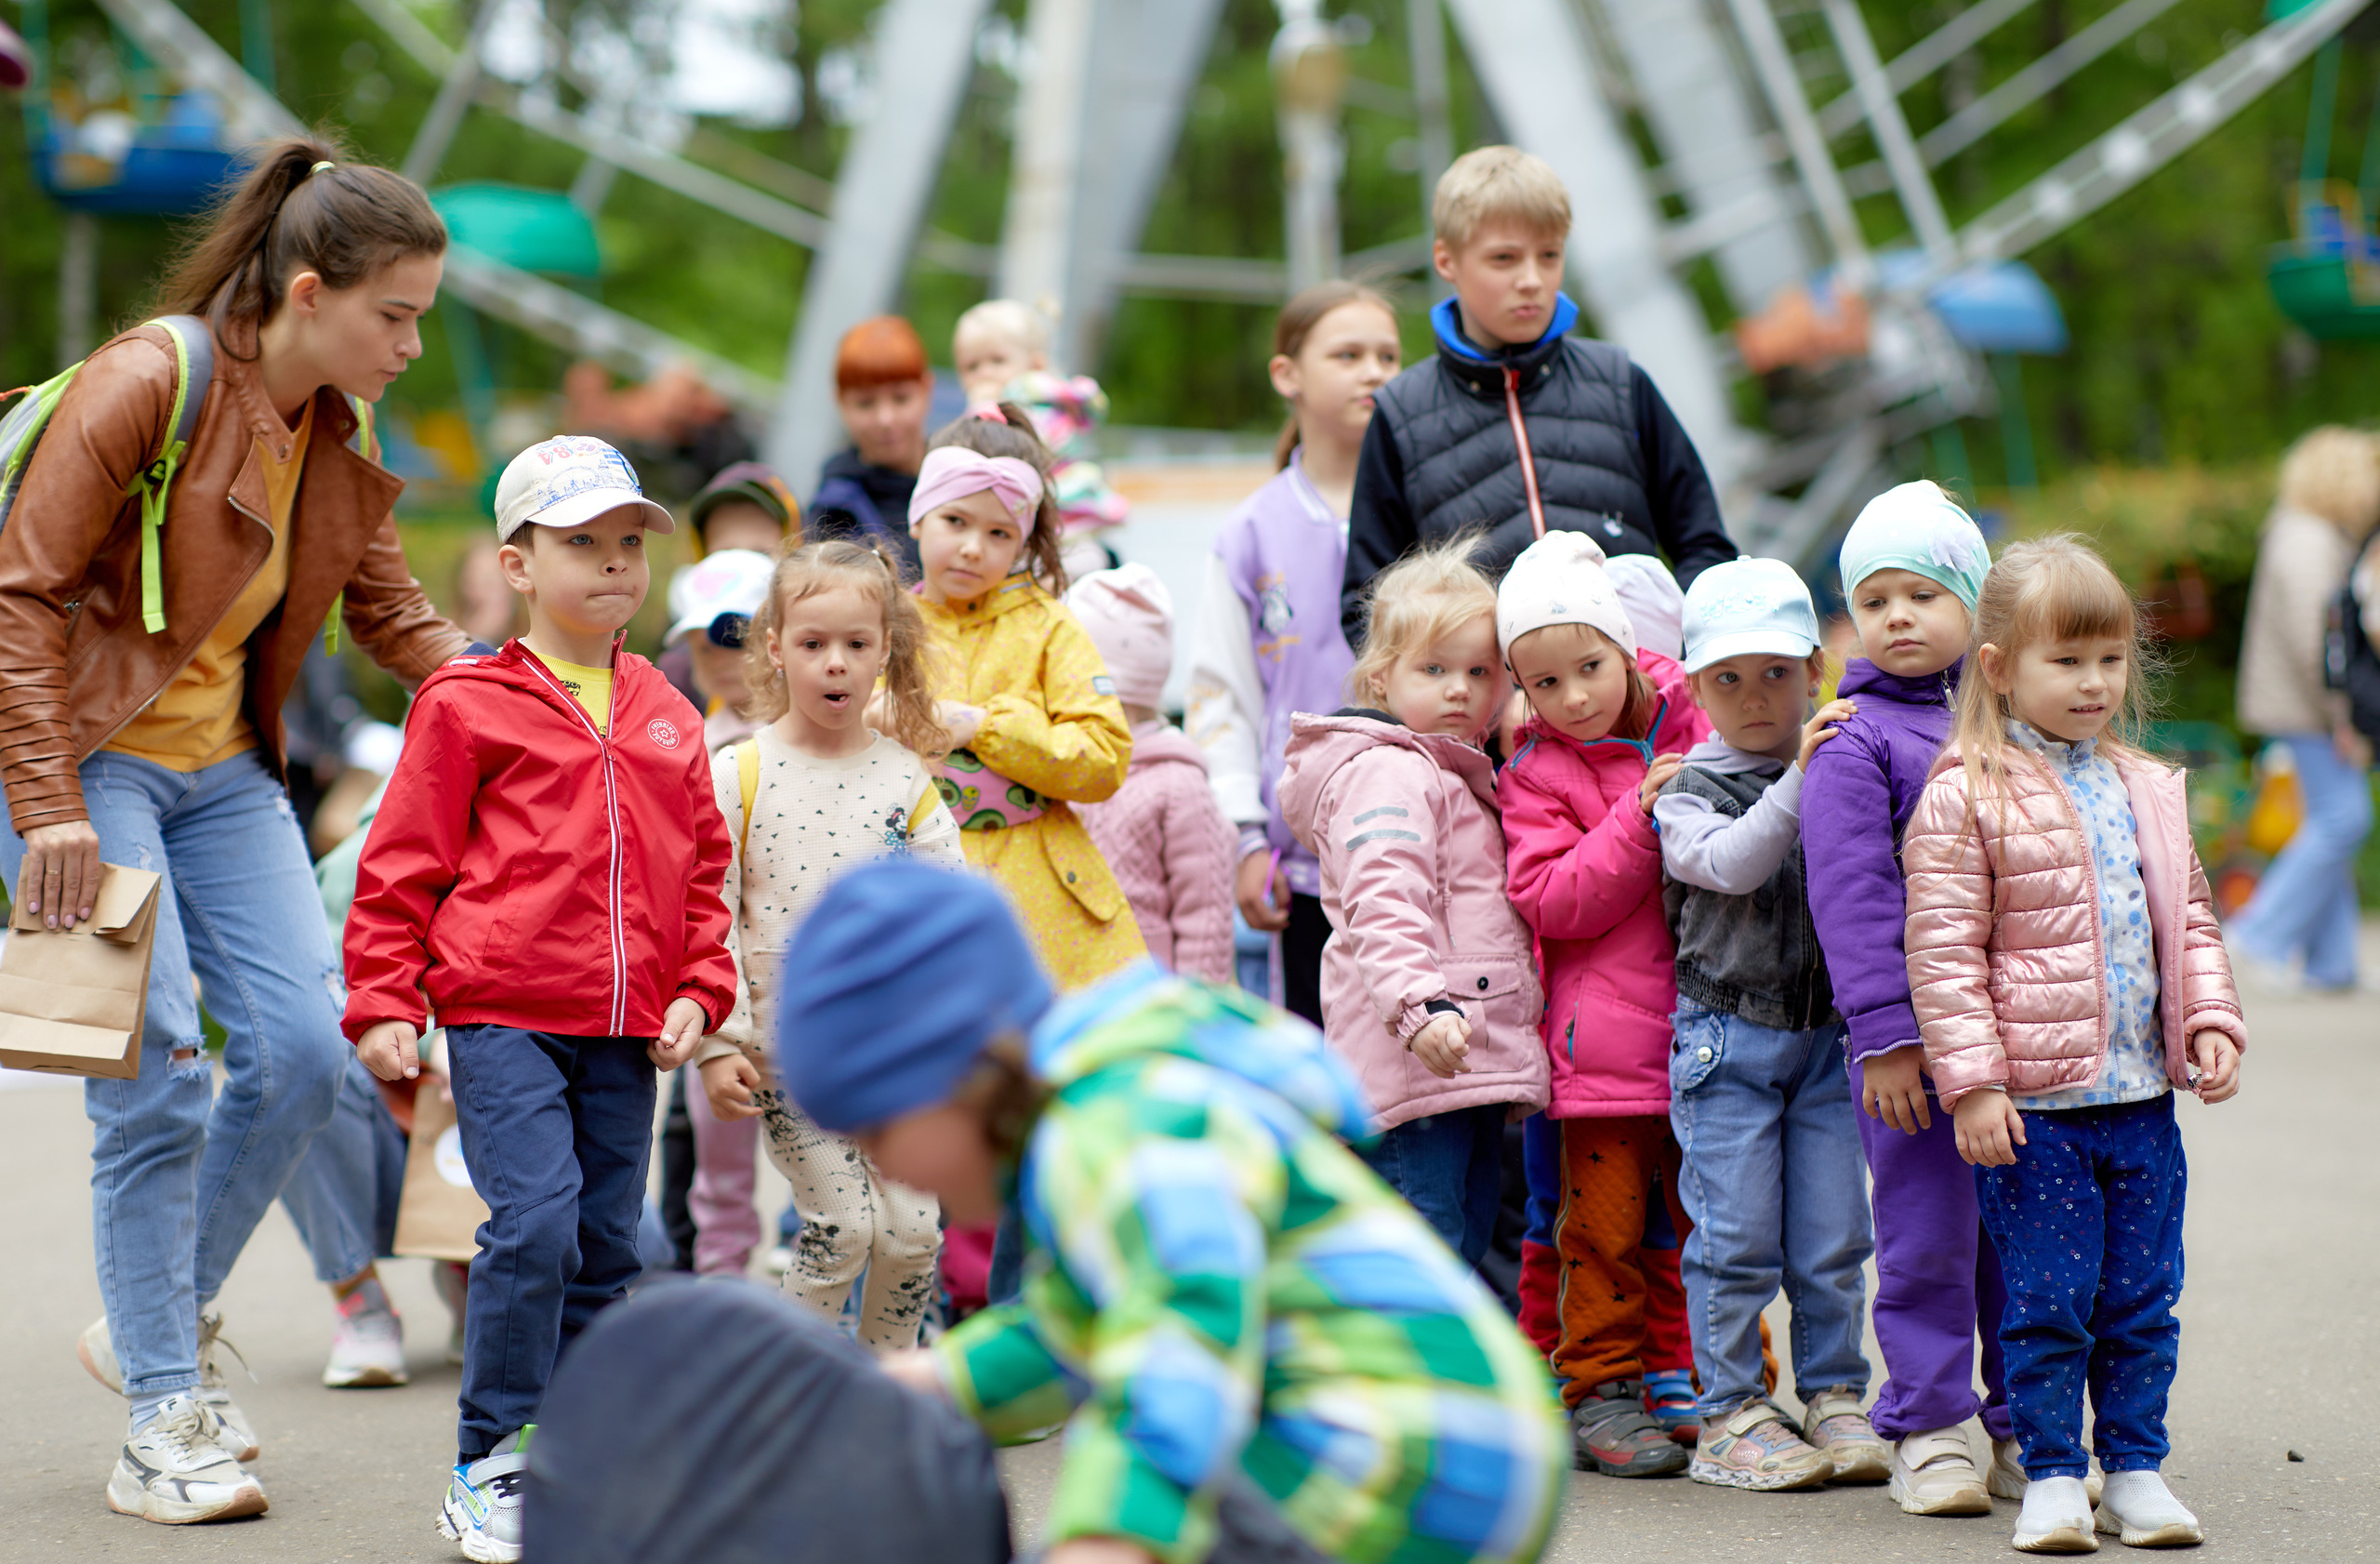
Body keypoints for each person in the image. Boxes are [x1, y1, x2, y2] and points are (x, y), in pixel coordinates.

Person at [0, 135, 469, 1524]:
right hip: (87, 762)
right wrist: (45, 803)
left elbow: (392, 614)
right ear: (310, 293)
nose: (413, 345)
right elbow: (19, 592)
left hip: (224, 773)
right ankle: (162, 1417)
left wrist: (536, 699)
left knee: (308, 1053)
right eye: (397, 316)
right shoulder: (152, 377)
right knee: (153, 1071)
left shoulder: (339, 424)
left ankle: (151, 1320)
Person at [773, 859, 1569, 1564]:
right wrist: (937, 1381)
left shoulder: (1115, 1130)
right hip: (1452, 1442)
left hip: (1398, 1455)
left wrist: (1111, 1534)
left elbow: (1179, 1329)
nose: (878, 1162)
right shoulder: (1099, 1116)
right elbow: (1073, 1327)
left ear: (956, 1075)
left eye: (875, 1130)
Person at [343, 435, 737, 1564]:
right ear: (516, 565)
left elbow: (702, 872)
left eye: (628, 542)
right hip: (502, 1010)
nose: (613, 562)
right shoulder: (466, 700)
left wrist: (702, 987)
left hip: (626, 1025)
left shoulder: (668, 710)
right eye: (581, 542)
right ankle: (491, 1458)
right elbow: (401, 860)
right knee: (536, 1223)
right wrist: (383, 995)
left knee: (611, 1241)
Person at [1903, 535, 2248, 1553]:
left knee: (2142, 1295)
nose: (2094, 681)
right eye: (2067, 659)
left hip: (2141, 1100)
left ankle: (2135, 1467)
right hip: (2035, 1110)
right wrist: (1971, 1083)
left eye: (2109, 658)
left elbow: (2189, 918)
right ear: (2001, 666)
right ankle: (2054, 1472)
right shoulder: (1965, 790)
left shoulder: (2144, 783)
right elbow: (1943, 950)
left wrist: (2209, 1019)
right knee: (2050, 1297)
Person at [1800, 480, 2012, 1517]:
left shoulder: (2013, 727)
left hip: (2014, 1038)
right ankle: (1927, 1426)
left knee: (2020, 1242)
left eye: (1923, 594)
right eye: (1873, 598)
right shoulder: (1855, 740)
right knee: (1926, 1237)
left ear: (1973, 606)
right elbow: (1850, 895)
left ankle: (2026, 1426)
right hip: (1912, 1049)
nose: (1897, 617)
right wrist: (1884, 1034)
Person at [693, 538, 964, 1348]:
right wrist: (718, 1044)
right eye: (813, 643)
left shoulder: (904, 777)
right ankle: (783, 1392)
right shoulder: (739, 772)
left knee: (913, 1235)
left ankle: (885, 1392)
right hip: (790, 1061)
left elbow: (950, 912)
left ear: (886, 650)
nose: (835, 663)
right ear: (775, 646)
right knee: (841, 1230)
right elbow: (707, 913)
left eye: (856, 643)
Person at [1654, 559, 1886, 1491]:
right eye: (1728, 678)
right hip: (1727, 1043)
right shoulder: (1686, 788)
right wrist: (1799, 777)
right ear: (1694, 686)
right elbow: (1732, 864)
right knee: (1734, 1236)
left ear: (1814, 671)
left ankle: (1835, 1393)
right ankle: (1729, 1412)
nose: (1754, 697)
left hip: (1828, 1040)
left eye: (1776, 673)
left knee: (1833, 1236)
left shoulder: (1843, 761)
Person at [1493, 531, 1712, 1479]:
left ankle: (1694, 1375)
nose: (1575, 697)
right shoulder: (1535, 775)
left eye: (1589, 667)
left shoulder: (1699, 721)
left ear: (1626, 649)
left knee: (1704, 1223)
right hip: (1604, 1055)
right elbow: (1551, 897)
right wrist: (1637, 815)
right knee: (1603, 1232)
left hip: (1708, 1032)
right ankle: (1598, 1387)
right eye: (1545, 683)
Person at [1276, 536, 1549, 1264]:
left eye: (1479, 671)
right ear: (1381, 679)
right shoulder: (1390, 773)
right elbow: (1383, 901)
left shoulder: (1456, 772)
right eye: (1435, 669)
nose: (1460, 689)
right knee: (1421, 1253)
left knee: (1460, 1245)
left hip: (1459, 1067)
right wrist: (1420, 1007)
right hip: (1415, 1062)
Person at [1341, 145, 1735, 644]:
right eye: (1504, 258)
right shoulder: (1401, 415)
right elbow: (1368, 607)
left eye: (1549, 255)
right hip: (1485, 696)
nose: (1531, 280)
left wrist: (1665, 658)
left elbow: (1707, 552)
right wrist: (1460, 678)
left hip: (1642, 689)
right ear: (1446, 260)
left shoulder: (1621, 382)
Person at [1187, 280, 1400, 1026]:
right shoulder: (1252, 531)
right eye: (1348, 354)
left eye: (1388, 356)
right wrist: (1246, 837)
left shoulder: (1427, 508)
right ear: (1288, 375)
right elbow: (1222, 696)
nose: (1373, 372)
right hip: (1303, 871)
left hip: (1425, 845)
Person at [910, 406, 1143, 987]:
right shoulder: (878, 624)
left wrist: (985, 726)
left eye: (999, 533)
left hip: (1043, 900)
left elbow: (1106, 757)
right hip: (915, 886)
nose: (973, 548)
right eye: (955, 521)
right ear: (918, 516)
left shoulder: (1051, 626)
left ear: (1022, 540)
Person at [2226, 426, 2379, 994]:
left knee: (2329, 819)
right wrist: (2344, 717)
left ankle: (2331, 963)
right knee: (2345, 819)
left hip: (2295, 703)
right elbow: (2321, 647)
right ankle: (2257, 934)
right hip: (2307, 708)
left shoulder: (2301, 532)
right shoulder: (2309, 542)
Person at [1067, 564, 1236, 984]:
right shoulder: (1059, 770)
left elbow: (1206, 920)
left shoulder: (1178, 783)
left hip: (1149, 1000)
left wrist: (1195, 1009)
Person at [953, 298, 1130, 580]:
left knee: (1078, 563)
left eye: (997, 361)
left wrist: (982, 410)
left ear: (1035, 366)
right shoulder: (978, 414)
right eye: (972, 366)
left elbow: (1027, 447)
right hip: (1019, 528)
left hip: (1065, 521)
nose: (985, 373)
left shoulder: (1040, 406)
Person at [655, 461, 800, 709]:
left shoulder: (813, 666)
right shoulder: (676, 680)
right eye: (725, 553)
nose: (743, 569)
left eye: (761, 553)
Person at [812, 315, 934, 574]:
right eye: (866, 403)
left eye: (901, 398)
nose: (885, 419)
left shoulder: (965, 483)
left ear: (927, 389)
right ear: (840, 403)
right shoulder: (832, 510)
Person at [663, 548, 776, 752]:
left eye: (735, 641)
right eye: (704, 649)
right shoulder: (693, 747)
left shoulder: (817, 728)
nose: (719, 661)